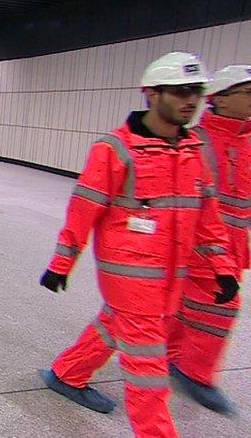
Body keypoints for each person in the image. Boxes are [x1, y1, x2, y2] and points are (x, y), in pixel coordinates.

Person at [37, 52, 238, 438]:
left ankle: (67, 373)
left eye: (196, 92)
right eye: (180, 92)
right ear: (151, 93)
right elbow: (84, 210)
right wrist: (62, 263)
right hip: (129, 277)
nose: (191, 101)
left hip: (171, 275)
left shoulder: (192, 149)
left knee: (113, 325)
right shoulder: (115, 149)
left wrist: (223, 268)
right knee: (149, 370)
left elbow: (208, 217)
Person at [166, 64, 251, 414]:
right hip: (196, 240)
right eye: (248, 92)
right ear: (220, 100)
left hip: (232, 242)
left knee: (186, 303)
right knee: (219, 307)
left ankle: (171, 356)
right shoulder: (194, 142)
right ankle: (194, 372)